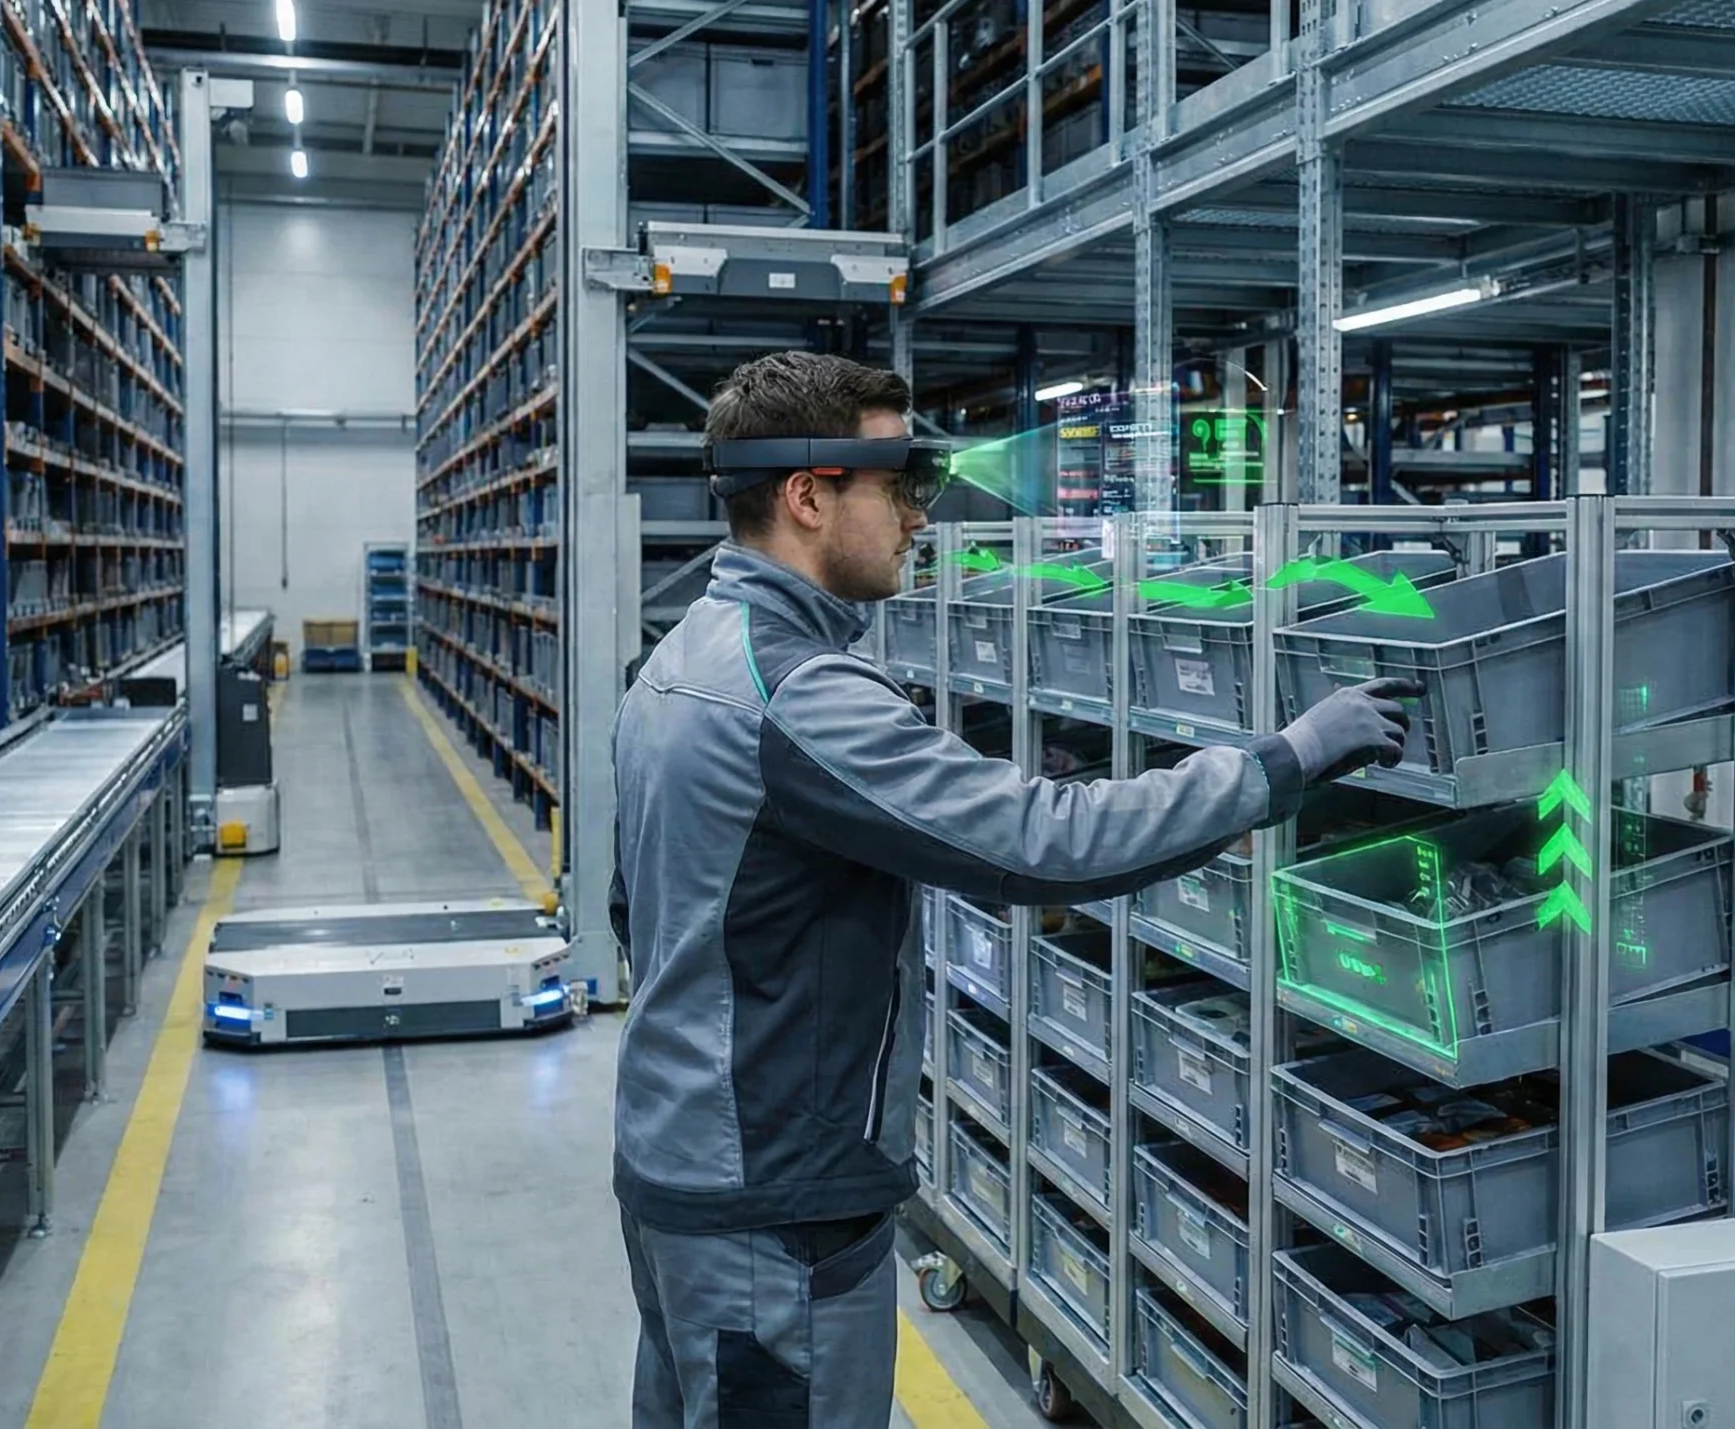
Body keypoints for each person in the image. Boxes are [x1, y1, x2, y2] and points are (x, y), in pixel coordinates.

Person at [608, 351, 1419, 1428]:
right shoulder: (796, 695)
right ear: (807, 494)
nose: (918, 517)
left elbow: (637, 905)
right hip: (772, 1202)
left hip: (679, 1167)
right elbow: (1042, 845)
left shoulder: (679, 659)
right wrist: (1280, 762)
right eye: (897, 485)